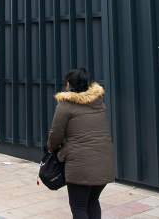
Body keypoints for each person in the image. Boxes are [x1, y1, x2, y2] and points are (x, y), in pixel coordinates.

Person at [46, 67, 115, 219]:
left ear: (69, 85)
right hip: (105, 161)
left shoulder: (65, 105)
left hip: (81, 164)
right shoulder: (99, 103)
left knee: (78, 206)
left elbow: (56, 135)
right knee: (93, 200)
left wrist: (50, 148)